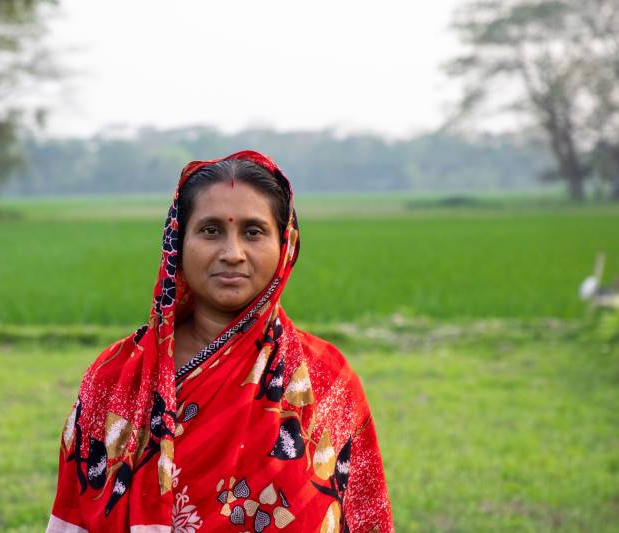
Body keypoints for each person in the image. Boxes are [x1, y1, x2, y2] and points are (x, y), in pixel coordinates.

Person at [47, 150, 393, 532]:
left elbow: (362, 517)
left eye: (253, 232)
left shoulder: (324, 377)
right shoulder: (116, 378)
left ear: (285, 244)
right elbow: (76, 515)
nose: (232, 254)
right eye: (211, 230)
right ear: (178, 243)